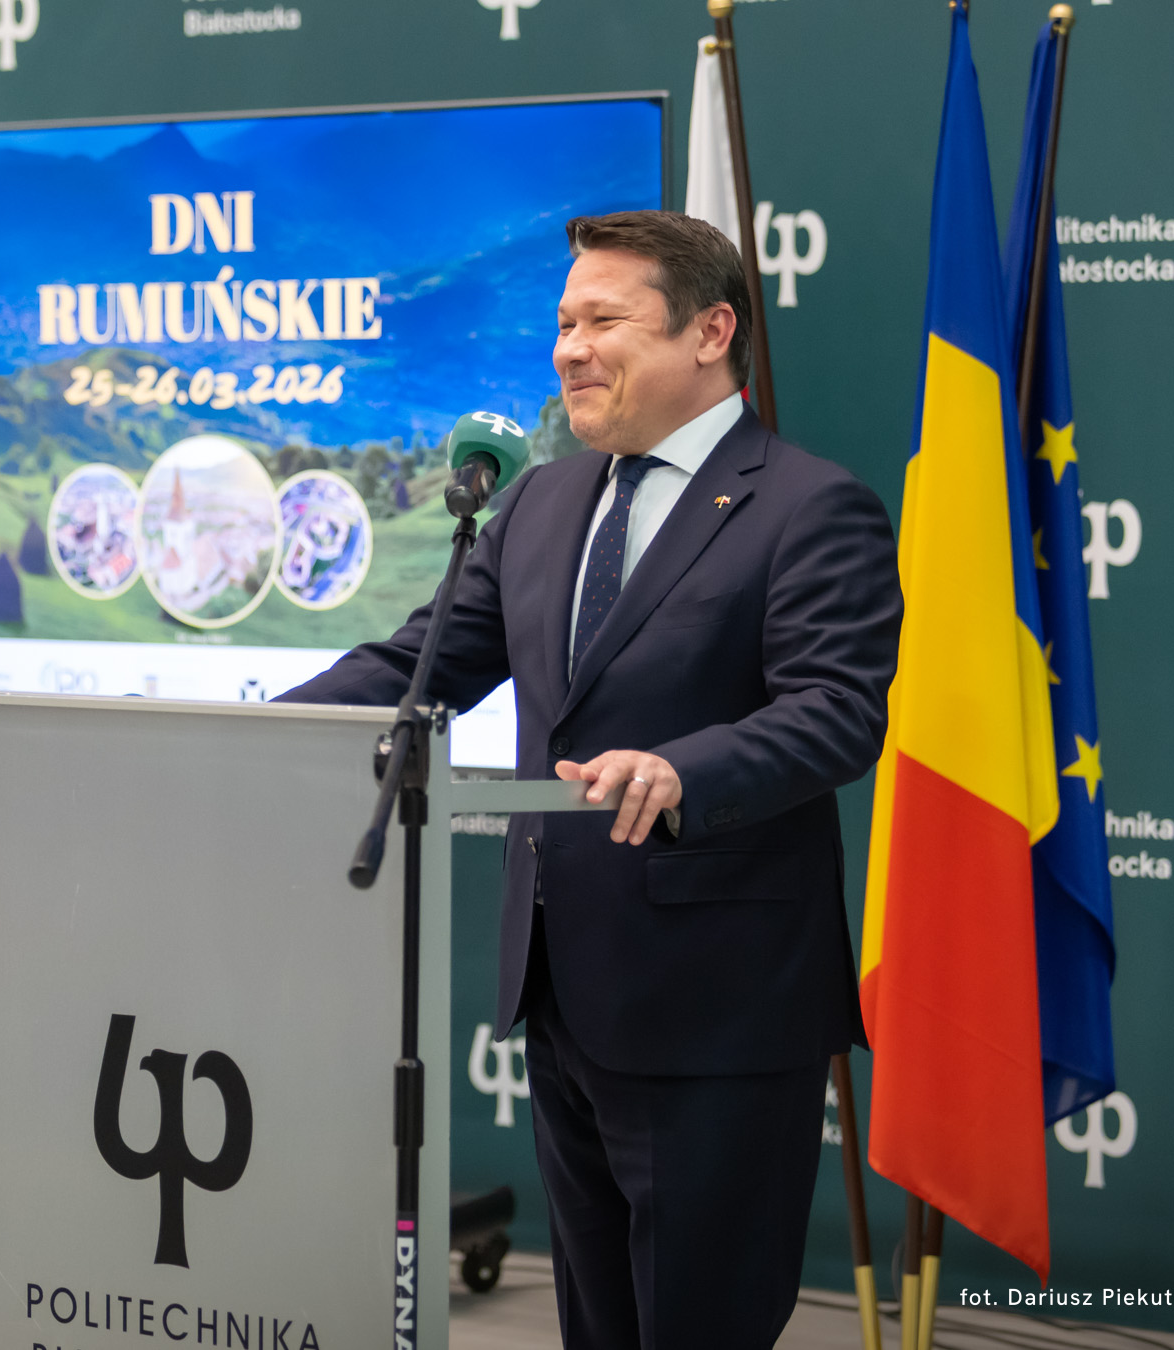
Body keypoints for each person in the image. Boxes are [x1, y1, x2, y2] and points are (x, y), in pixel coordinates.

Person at [276, 210, 902, 1348]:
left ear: (710, 332)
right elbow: (416, 668)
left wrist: (682, 769)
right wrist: (252, 732)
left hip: (718, 1008)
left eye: (603, 321)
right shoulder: (540, 501)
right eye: (564, 323)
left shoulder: (810, 507)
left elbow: (838, 711)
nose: (569, 349)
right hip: (563, 992)